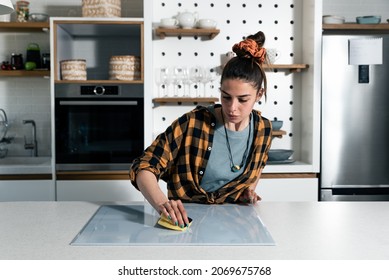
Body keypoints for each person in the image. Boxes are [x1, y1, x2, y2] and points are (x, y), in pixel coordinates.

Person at [129, 31, 272, 228]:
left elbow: (254, 172)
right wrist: (163, 204)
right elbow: (143, 167)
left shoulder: (263, 130)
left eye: (243, 99)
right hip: (186, 225)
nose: (232, 107)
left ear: (259, 94)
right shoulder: (193, 123)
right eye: (226, 97)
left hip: (234, 228)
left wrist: (245, 193)